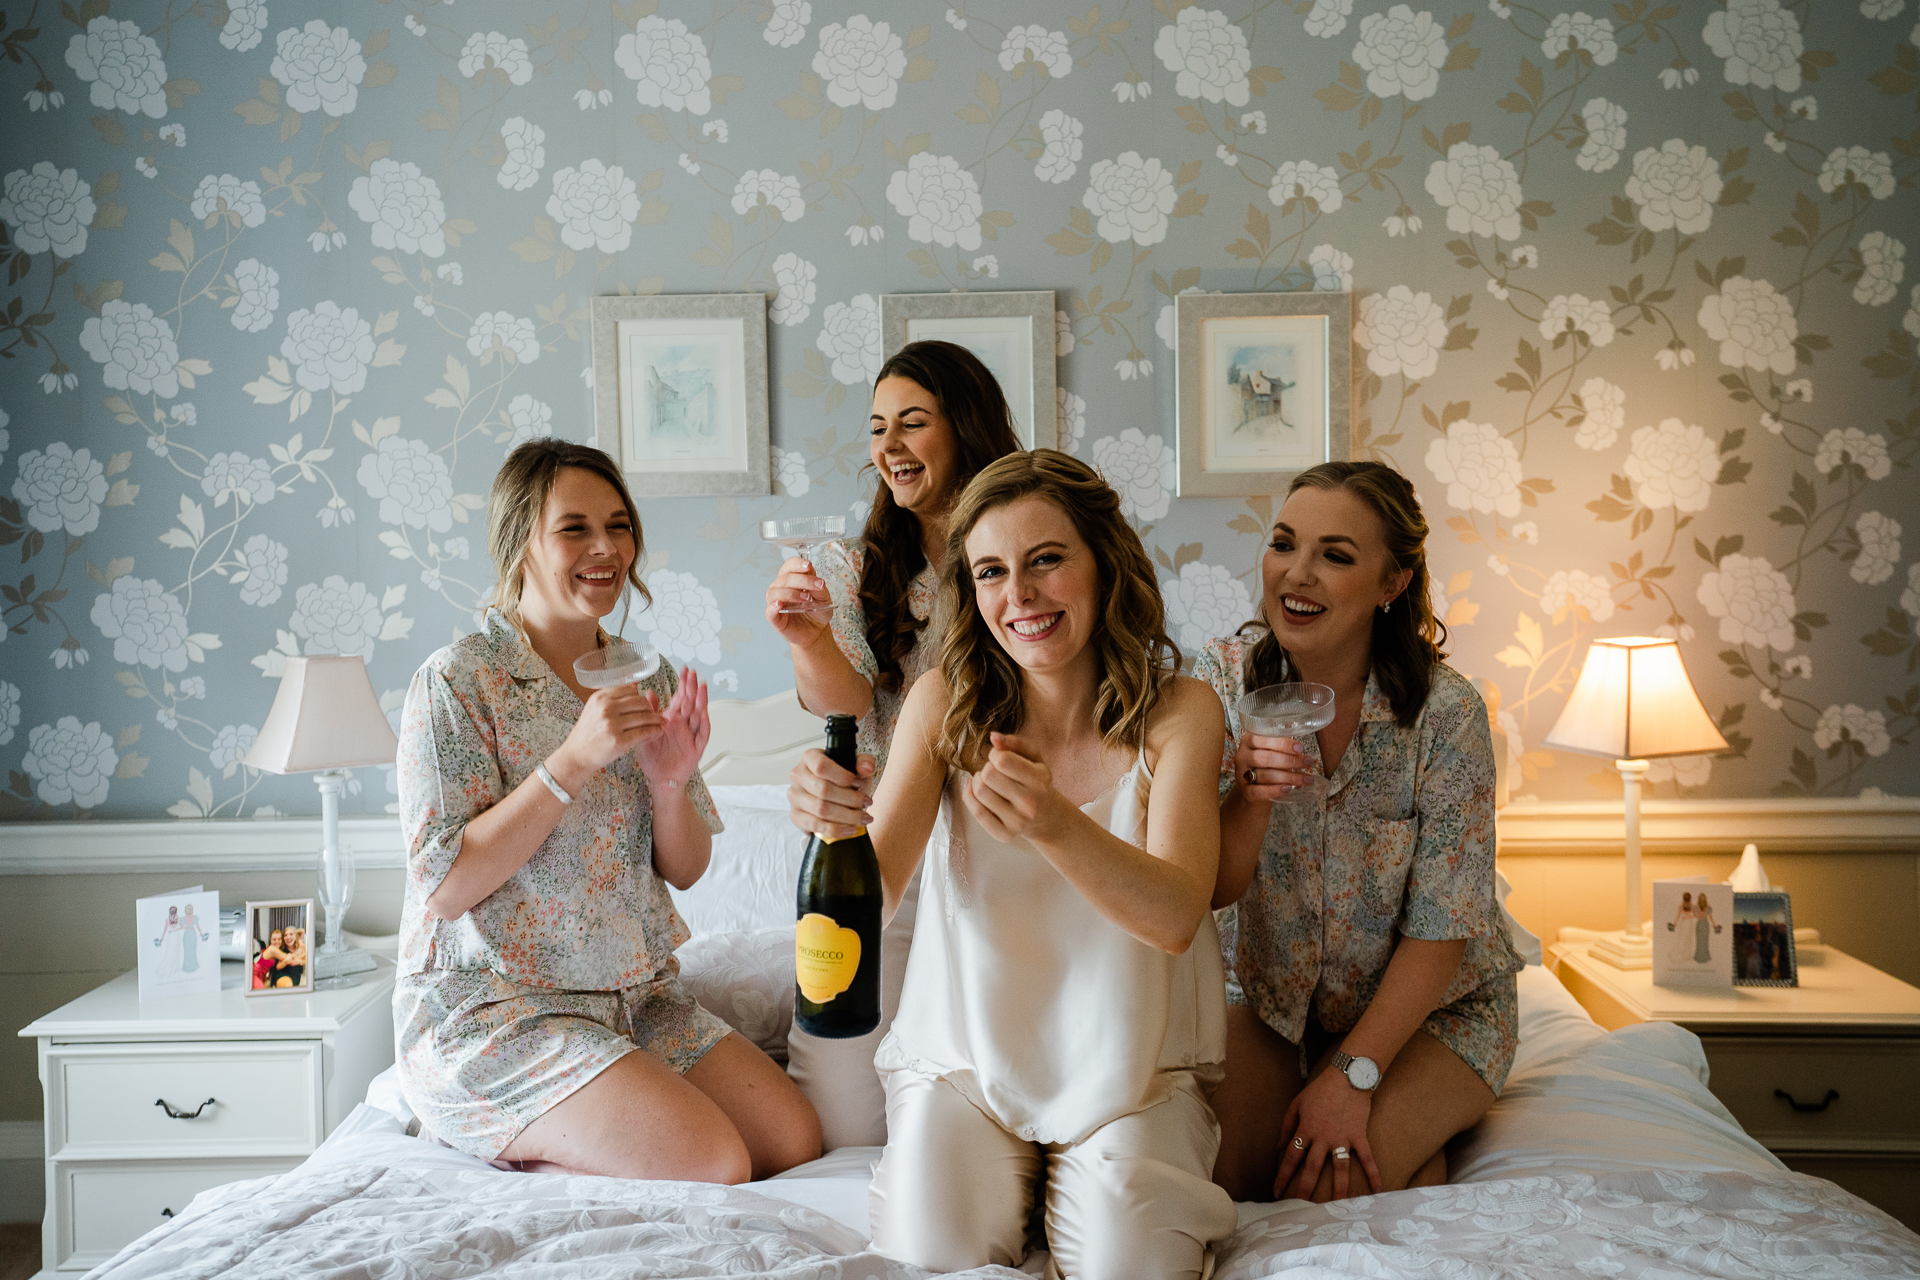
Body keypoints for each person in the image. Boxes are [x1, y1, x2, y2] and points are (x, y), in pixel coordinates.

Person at [788, 451, 1237, 1279]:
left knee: (1131, 1267)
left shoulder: (1182, 713)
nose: (1019, 597)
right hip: (966, 1062)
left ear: (1105, 562)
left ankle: (1070, 1183)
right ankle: (1015, 1185)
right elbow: (873, 893)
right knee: (934, 1258)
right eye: (991, 571)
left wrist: (1056, 825)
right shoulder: (944, 705)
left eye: (1047, 561)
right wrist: (832, 822)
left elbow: (1177, 917)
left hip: (1131, 1071)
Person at [395, 439, 820, 1182]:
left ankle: (577, 1131)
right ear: (519, 540)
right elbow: (448, 886)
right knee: (714, 1158)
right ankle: (499, 1129)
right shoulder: (458, 682)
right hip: (503, 1013)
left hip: (636, 1001)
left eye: (619, 525)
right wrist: (570, 763)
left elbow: (685, 871)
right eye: (575, 528)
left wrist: (669, 783)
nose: (606, 548)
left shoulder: (637, 677)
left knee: (790, 1141)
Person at [1198, 460, 1524, 1204]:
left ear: (1392, 584)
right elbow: (1210, 889)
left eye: (1335, 556)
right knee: (1232, 1182)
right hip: (1272, 997)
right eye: (1284, 544)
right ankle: (1407, 1150)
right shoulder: (1220, 685)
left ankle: (1419, 1136)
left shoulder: (1446, 716)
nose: (1296, 575)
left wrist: (1354, 1076)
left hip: (1434, 1013)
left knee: (1325, 1185)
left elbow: (1443, 931)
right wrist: (1247, 800)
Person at [765, 340, 1022, 779]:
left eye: (913, 424)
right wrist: (810, 642)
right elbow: (846, 705)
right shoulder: (852, 565)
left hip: (1003, 802)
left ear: (968, 427)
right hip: (891, 812)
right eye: (878, 428)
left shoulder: (1023, 558)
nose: (890, 445)